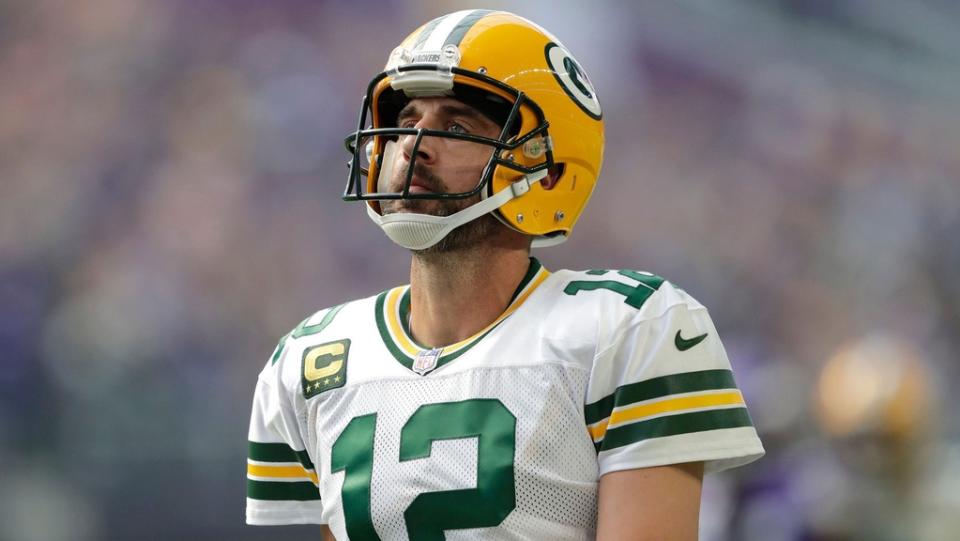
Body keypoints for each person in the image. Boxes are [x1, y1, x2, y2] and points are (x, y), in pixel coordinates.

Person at [246, 10, 764, 540]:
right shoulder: (313, 358)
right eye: (406, 122)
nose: (413, 145)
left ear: (550, 169)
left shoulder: (630, 329)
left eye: (456, 127)